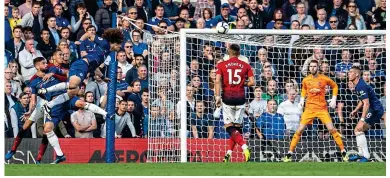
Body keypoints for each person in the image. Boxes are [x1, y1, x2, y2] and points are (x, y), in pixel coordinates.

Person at [40, 29, 123, 118]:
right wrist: (80, 41)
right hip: (82, 64)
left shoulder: (107, 53)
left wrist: (103, 78)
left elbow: (95, 69)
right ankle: (46, 90)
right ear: (114, 43)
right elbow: (89, 34)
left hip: (86, 68)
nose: (120, 47)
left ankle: (49, 105)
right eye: (119, 45)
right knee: (73, 85)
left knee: (72, 93)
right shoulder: (105, 44)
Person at [283, 60, 348, 162]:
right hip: (309, 109)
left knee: (331, 129)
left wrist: (334, 98)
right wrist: (301, 100)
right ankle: (289, 154)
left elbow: (335, 86)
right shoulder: (305, 80)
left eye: (314, 66)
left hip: (322, 109)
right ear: (309, 68)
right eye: (311, 66)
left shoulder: (324, 78)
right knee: (299, 130)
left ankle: (344, 152)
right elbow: (304, 89)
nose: (313, 68)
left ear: (318, 67)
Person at [215, 43, 255, 162]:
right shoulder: (245, 65)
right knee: (236, 128)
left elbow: (217, 81)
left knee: (228, 127)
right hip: (241, 99)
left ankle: (244, 146)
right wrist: (244, 84)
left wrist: (217, 97)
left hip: (228, 99)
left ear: (228, 52)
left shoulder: (221, 64)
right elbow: (252, 82)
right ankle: (228, 154)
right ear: (239, 53)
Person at [347, 66, 385, 162]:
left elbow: (367, 103)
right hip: (373, 109)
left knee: (359, 128)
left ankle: (366, 156)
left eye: (351, 72)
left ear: (356, 74)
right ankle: (361, 154)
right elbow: (363, 100)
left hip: (375, 110)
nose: (349, 74)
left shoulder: (360, 86)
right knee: (357, 130)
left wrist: (362, 119)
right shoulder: (358, 85)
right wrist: (356, 110)